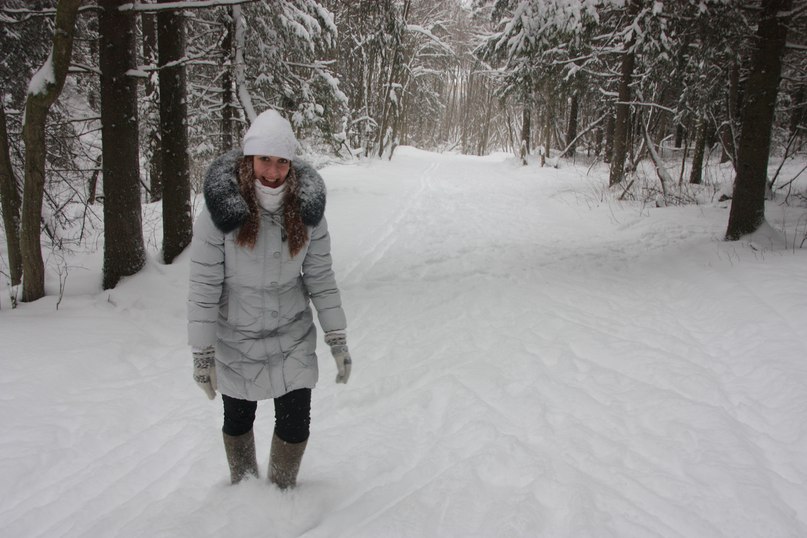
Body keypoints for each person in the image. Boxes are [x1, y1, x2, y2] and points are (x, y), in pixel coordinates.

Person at [187, 109, 352, 488]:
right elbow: (203, 286)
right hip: (236, 337)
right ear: (250, 158)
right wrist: (202, 354)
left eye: (281, 162)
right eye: (265, 160)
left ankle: (281, 497)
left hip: (291, 335)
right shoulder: (219, 214)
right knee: (238, 420)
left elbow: (321, 279)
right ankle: (242, 498)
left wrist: (337, 339)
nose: (273, 172)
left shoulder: (308, 212)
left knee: (296, 422)